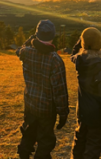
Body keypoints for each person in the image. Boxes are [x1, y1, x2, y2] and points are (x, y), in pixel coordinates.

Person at [16, 20, 69, 159]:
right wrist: (63, 113)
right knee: (45, 140)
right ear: (53, 35)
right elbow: (60, 91)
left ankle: (23, 155)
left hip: (30, 104)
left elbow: (21, 48)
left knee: (28, 133)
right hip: (47, 109)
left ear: (37, 34)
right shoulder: (55, 60)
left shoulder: (26, 53)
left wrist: (32, 39)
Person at [70, 27, 101, 159]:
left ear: (83, 43)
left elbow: (73, 53)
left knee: (79, 143)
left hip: (82, 113)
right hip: (97, 119)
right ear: (99, 44)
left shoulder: (79, 61)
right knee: (92, 150)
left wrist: (82, 40)